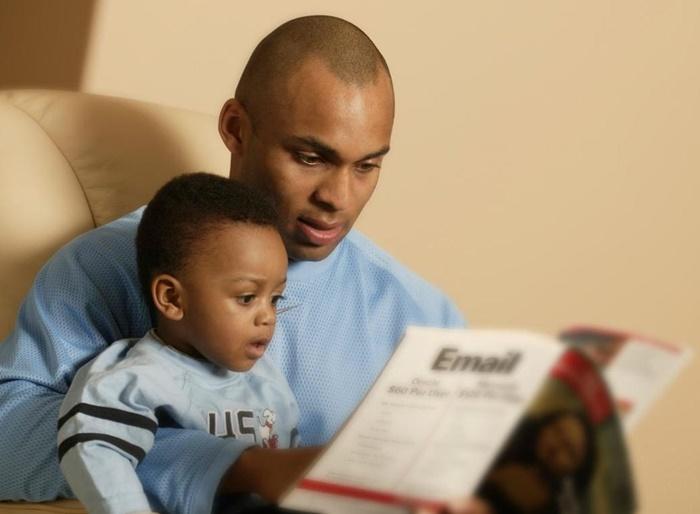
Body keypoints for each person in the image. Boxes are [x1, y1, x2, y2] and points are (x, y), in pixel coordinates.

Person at [0, 15, 466, 514]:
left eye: (367, 166)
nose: (338, 198)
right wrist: (239, 468)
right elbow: (9, 439)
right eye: (311, 157)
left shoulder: (423, 315)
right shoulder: (106, 266)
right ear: (235, 129)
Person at [57, 173, 302, 514]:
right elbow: (93, 449)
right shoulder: (138, 377)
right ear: (172, 298)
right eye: (247, 297)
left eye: (275, 298)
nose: (268, 317)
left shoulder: (269, 383)